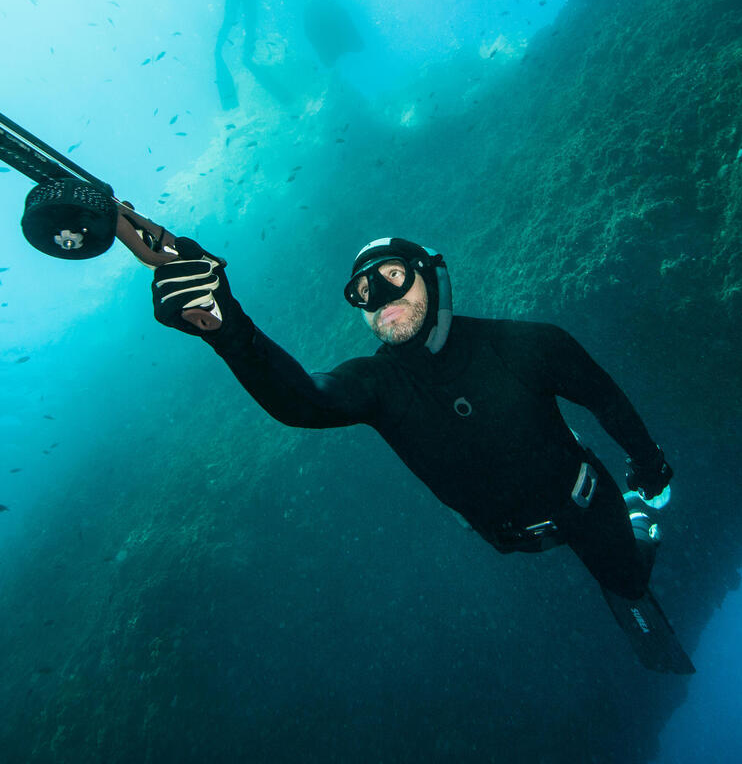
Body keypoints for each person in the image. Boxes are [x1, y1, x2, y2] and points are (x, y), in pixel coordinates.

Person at [152, 236, 687, 670]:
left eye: (391, 277)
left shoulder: (530, 344)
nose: (380, 298)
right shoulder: (376, 383)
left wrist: (650, 466)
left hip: (588, 505)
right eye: (362, 292)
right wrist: (225, 327)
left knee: (628, 582)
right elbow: (302, 402)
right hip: (503, 539)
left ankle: (639, 525)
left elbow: (606, 400)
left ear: (429, 273)